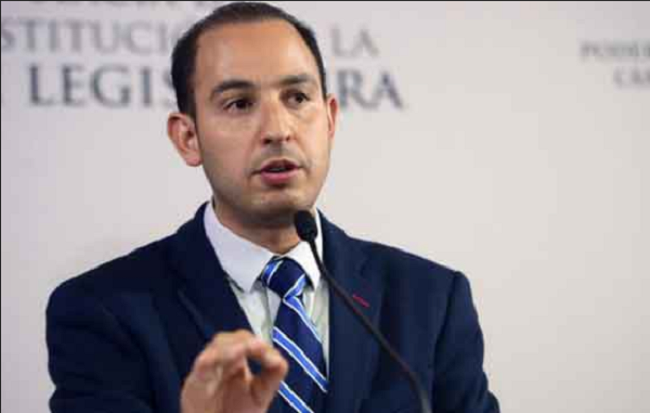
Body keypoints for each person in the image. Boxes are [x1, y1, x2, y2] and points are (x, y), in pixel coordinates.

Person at [46, 2, 500, 413]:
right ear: (188, 137)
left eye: (297, 98)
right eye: (239, 103)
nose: (278, 129)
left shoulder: (430, 301)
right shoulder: (103, 312)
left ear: (330, 119)